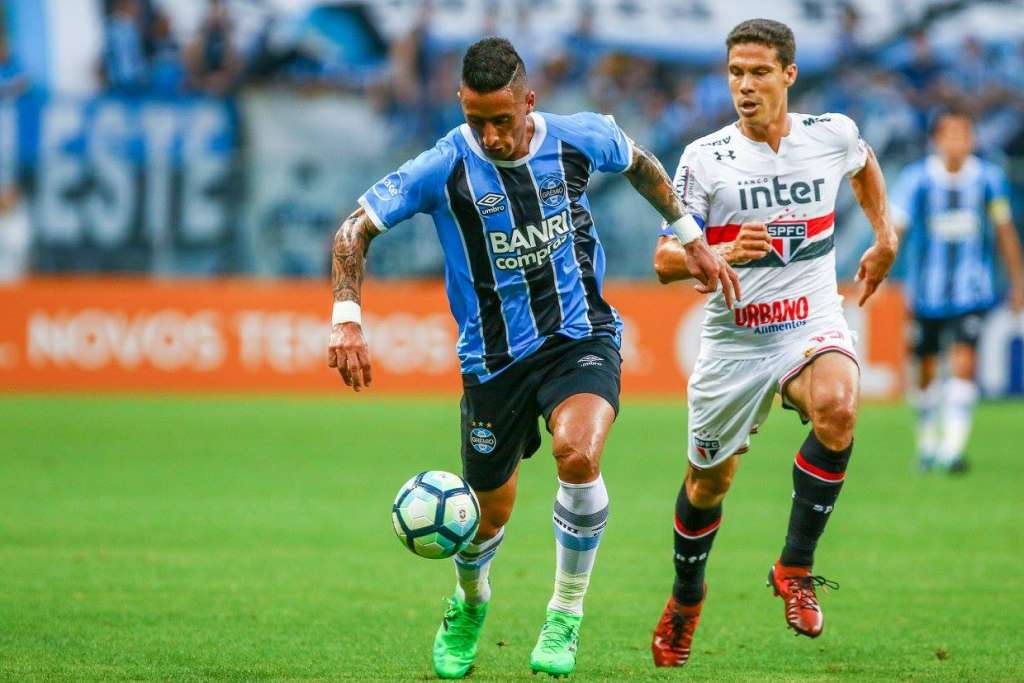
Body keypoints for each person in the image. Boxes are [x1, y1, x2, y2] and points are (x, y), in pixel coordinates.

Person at [326, 37, 737, 679]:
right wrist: (347, 320)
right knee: (487, 514)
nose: (490, 136)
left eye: (502, 120)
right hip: (493, 360)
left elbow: (640, 163)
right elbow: (354, 229)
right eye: (476, 121)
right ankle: (470, 602)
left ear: (529, 103)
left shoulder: (578, 138)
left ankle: (565, 612)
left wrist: (691, 237)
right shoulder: (444, 166)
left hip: (581, 337)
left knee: (579, 453)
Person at [648, 19, 897, 666]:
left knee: (839, 406)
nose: (745, 86)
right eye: (736, 73)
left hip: (809, 322)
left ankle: (795, 566)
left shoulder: (830, 134)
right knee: (708, 483)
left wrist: (884, 234)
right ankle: (686, 597)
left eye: (759, 72)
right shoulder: (705, 158)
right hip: (735, 342)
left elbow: (864, 164)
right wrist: (721, 250)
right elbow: (664, 260)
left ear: (789, 74)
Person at [891, 108, 1024, 473]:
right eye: (949, 134)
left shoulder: (989, 179)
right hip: (925, 294)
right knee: (926, 370)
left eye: (964, 134)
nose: (957, 142)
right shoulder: (917, 180)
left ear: (972, 139)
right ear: (936, 139)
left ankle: (952, 450)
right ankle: (927, 443)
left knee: (964, 363)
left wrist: (1018, 281)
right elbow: (897, 230)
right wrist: (880, 271)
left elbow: (1004, 231)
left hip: (971, 292)